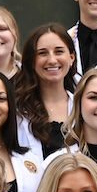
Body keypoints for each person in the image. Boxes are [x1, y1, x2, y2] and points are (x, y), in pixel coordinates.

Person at [11, 23, 79, 157]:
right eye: (42, 53)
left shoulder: (83, 107)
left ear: (71, 58)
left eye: (59, 51)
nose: (52, 60)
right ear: (32, 61)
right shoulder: (17, 110)